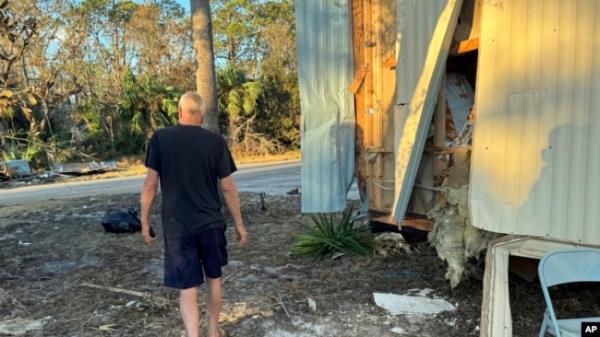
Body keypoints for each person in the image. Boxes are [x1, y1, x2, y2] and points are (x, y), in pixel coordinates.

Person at [140, 91, 248, 337]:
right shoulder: (215, 142)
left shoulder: (161, 139)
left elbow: (150, 184)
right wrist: (240, 224)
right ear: (202, 115)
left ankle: (193, 335)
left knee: (187, 287)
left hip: (178, 226)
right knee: (214, 278)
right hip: (211, 223)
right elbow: (228, 186)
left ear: (179, 111)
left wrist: (144, 221)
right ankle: (213, 330)